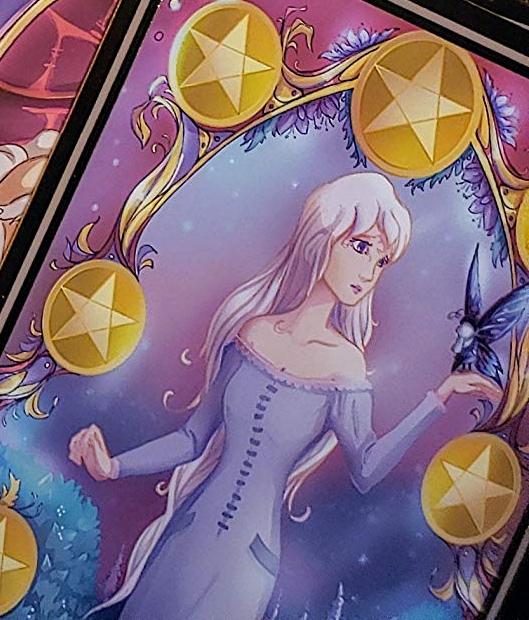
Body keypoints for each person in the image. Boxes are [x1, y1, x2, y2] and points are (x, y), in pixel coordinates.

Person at [68, 172, 500, 620]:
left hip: (250, 560)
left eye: (381, 261)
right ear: (324, 235)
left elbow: (366, 469)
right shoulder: (251, 332)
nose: (369, 272)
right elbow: (193, 439)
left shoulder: (346, 366)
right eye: (361, 247)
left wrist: (438, 399)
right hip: (188, 534)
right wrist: (113, 466)